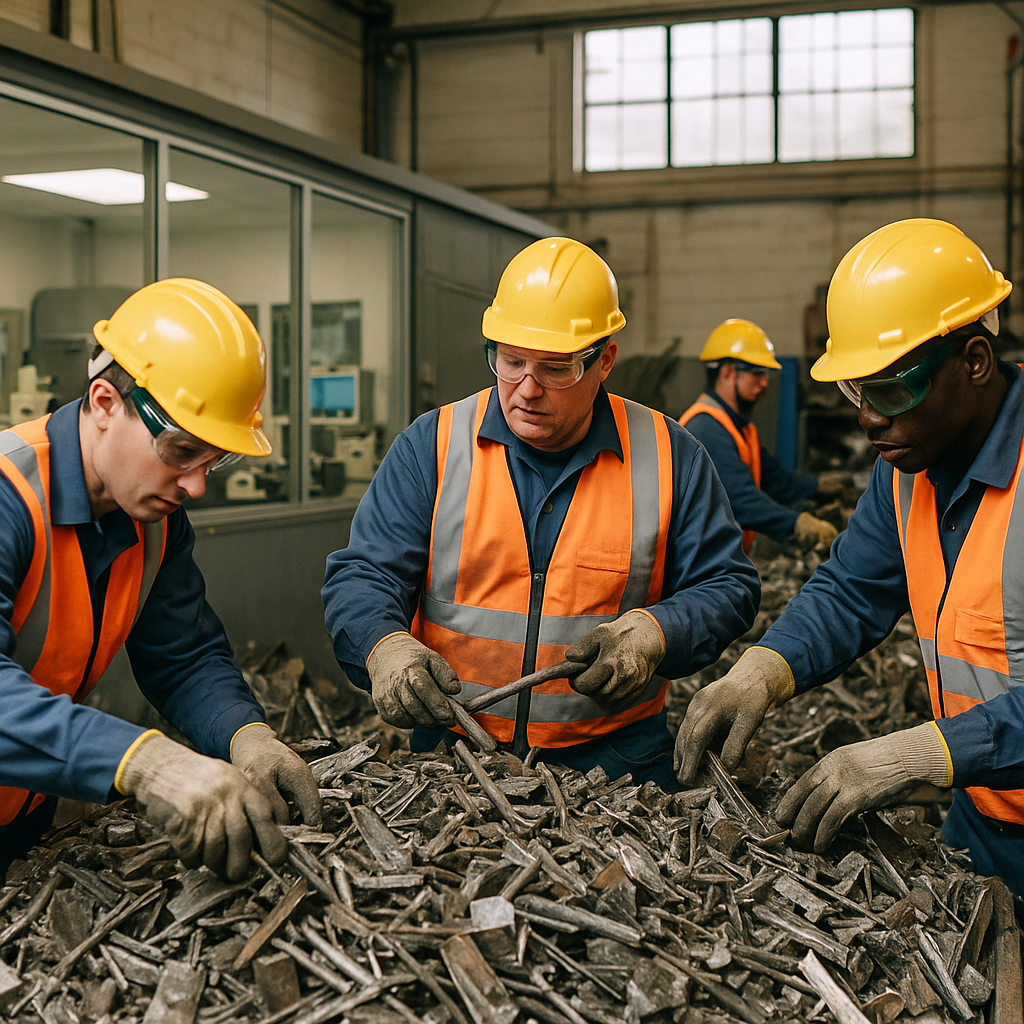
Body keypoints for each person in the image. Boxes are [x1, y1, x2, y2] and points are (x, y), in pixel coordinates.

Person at [323, 237, 760, 790]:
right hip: (455, 759)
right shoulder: (432, 446)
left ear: (604, 360)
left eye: (555, 369)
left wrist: (656, 633)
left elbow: (728, 585)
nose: (527, 389)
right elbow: (364, 574)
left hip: (618, 765)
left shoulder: (670, 455)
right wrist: (382, 647)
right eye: (510, 361)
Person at [674, 217, 1024, 899]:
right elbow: (851, 590)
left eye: (890, 390)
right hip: (982, 819)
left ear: (975, 362)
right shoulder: (907, 469)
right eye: (853, 391)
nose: (867, 418)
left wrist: (922, 753)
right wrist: (763, 670)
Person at [0, 278, 321, 883]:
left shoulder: (151, 518)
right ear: (103, 403)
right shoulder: (8, 499)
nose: (196, 486)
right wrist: (149, 764)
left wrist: (245, 735)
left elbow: (183, 653)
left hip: (22, 811)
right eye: (180, 450)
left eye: (213, 460)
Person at [679, 319, 839, 553]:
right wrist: (796, 524)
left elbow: (774, 479)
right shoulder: (705, 426)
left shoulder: (740, 428)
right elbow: (739, 498)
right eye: (757, 374)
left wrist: (818, 488)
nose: (765, 383)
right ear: (728, 372)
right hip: (697, 565)